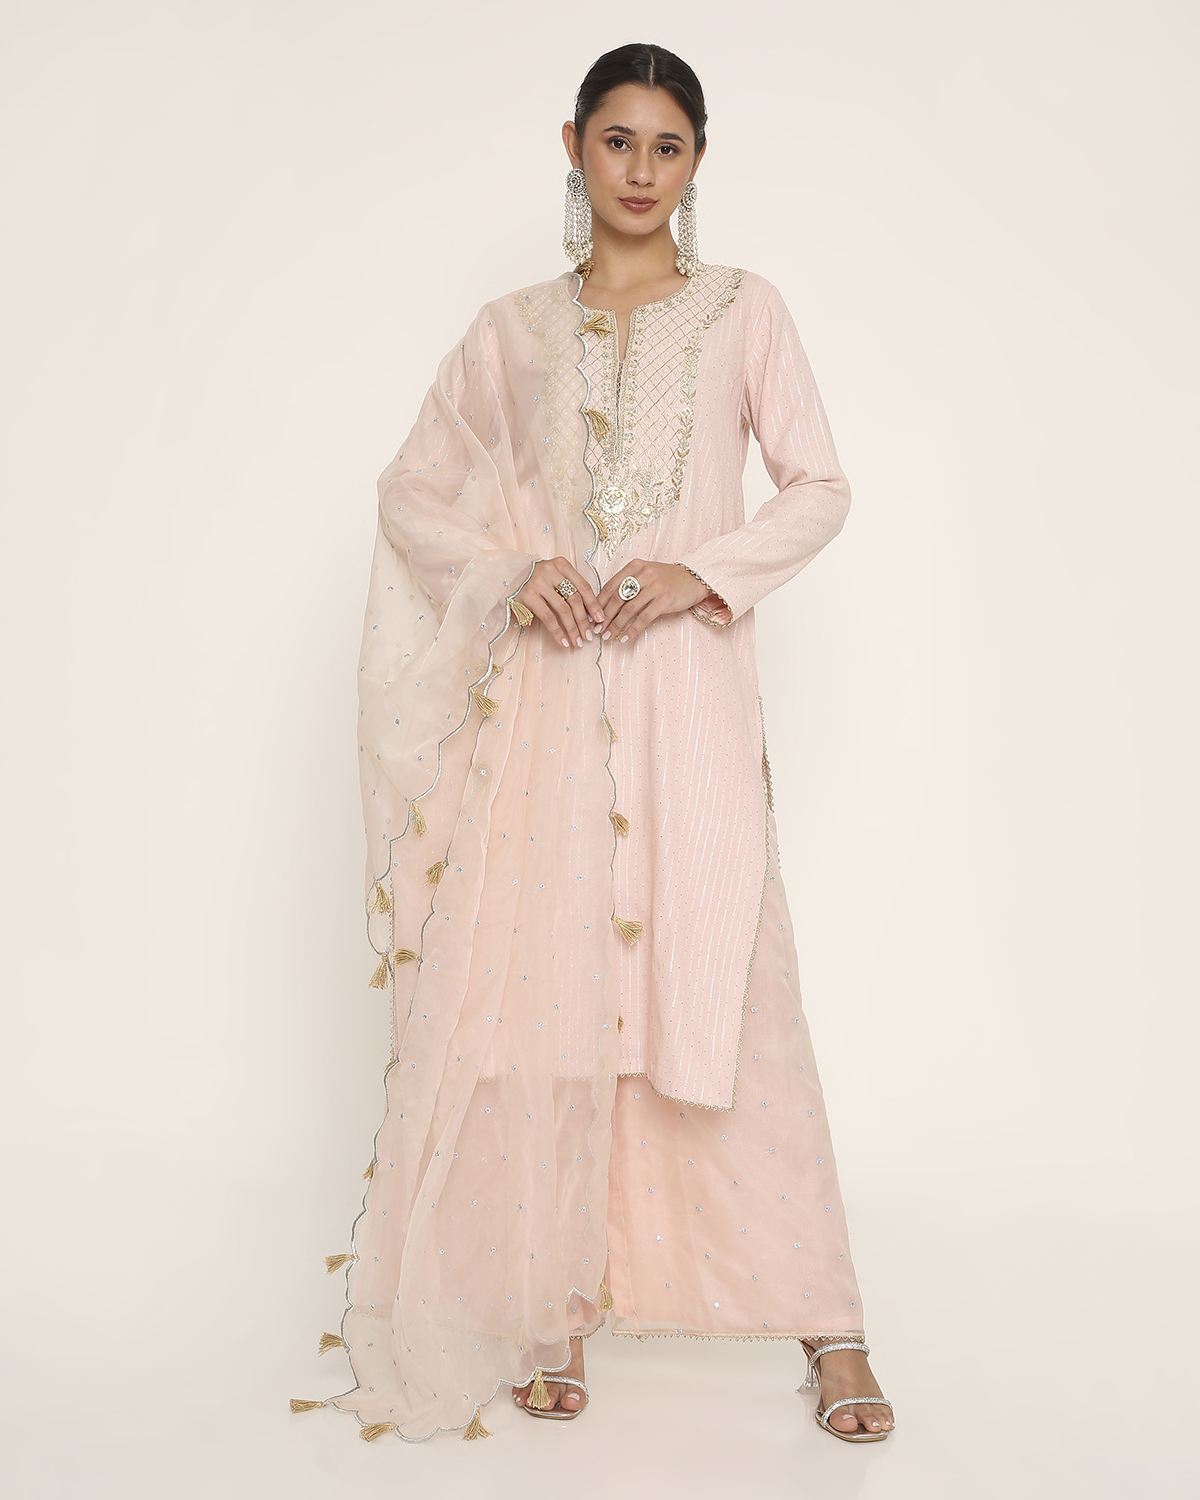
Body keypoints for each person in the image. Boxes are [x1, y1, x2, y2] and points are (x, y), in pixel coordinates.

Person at [292, 41, 895, 1446]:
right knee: (552, 994)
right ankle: (555, 1291)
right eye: (617, 141)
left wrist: (706, 572)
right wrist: (512, 574)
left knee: (728, 993)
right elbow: (416, 492)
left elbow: (818, 485)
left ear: (699, 161)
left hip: (690, 707)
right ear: (572, 146)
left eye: (667, 146)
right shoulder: (510, 333)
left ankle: (833, 1324)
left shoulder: (744, 314)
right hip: (550, 718)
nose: (641, 171)